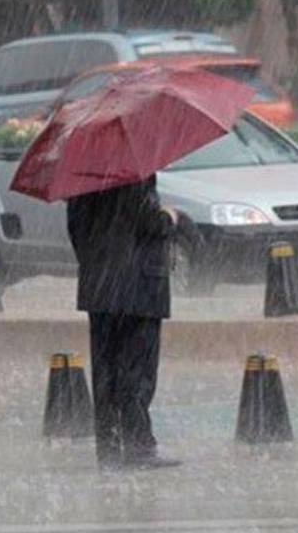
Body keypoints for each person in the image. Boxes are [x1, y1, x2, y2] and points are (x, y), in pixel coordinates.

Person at [67, 175, 181, 471]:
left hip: (101, 286)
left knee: (106, 371)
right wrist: (169, 217)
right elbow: (146, 222)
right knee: (136, 370)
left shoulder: (83, 174)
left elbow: (76, 230)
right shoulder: (133, 172)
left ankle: (110, 446)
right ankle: (138, 445)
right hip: (139, 287)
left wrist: (99, 263)